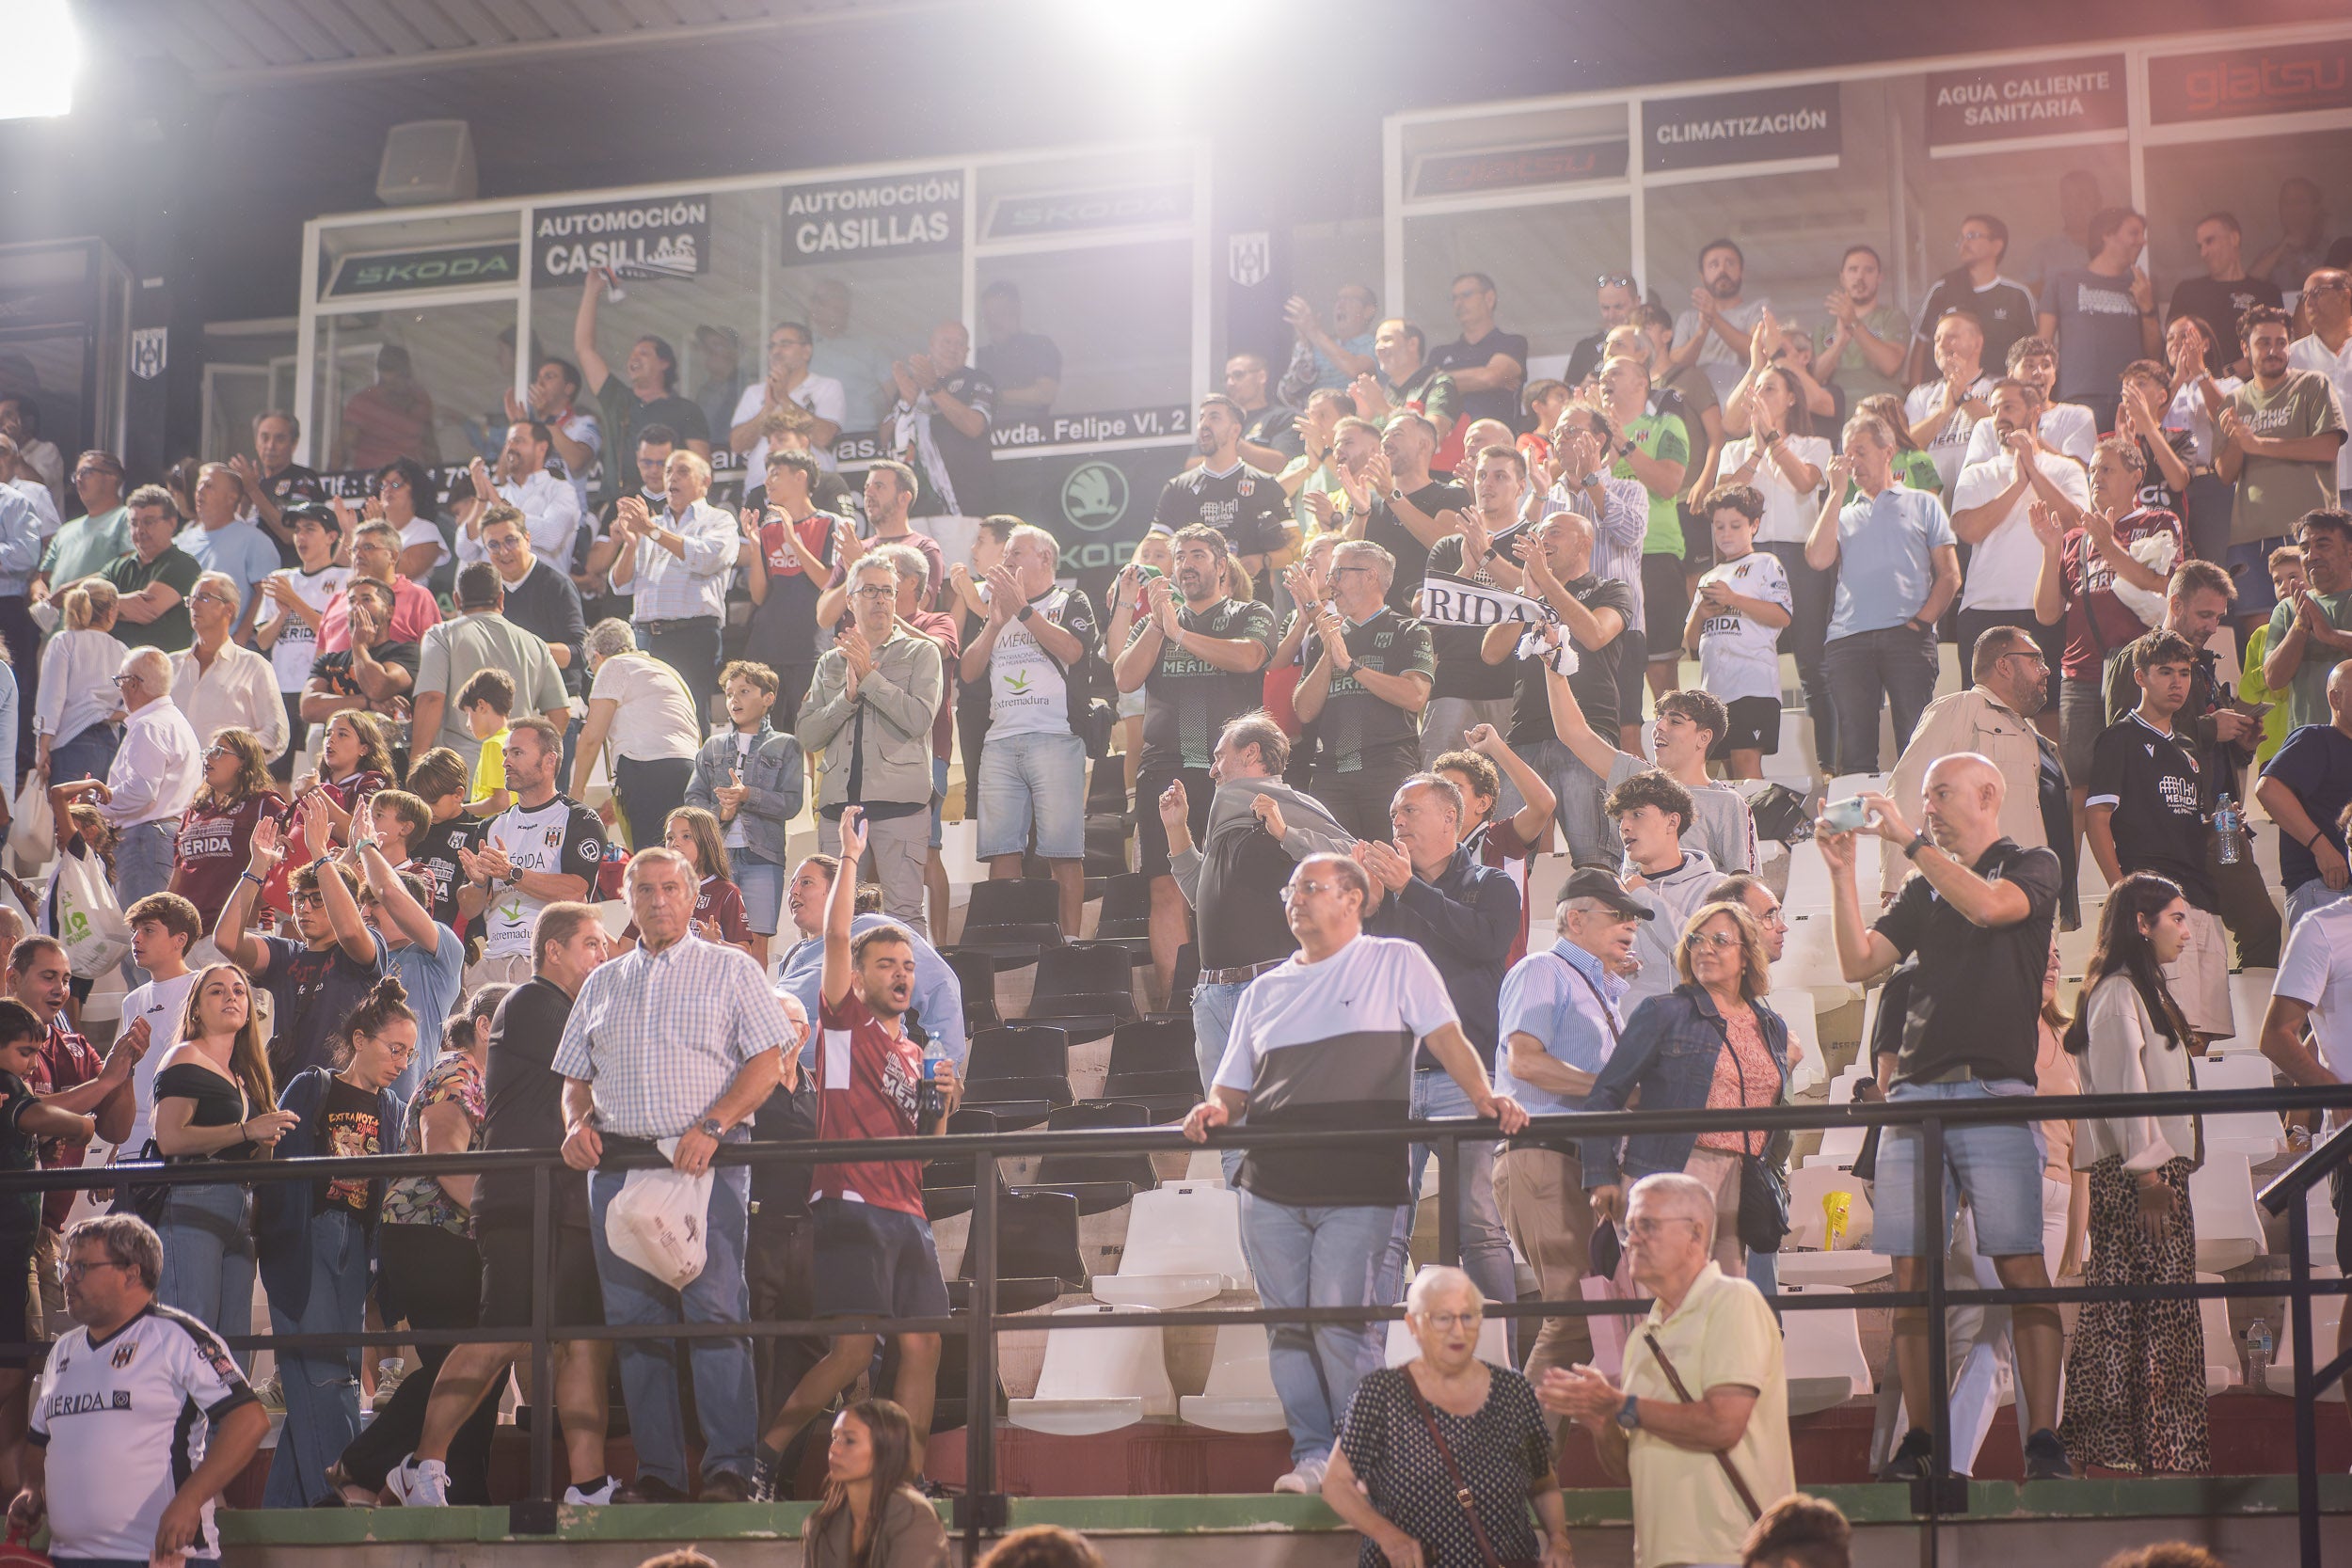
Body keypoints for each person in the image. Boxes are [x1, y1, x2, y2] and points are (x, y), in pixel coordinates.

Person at [1181, 852, 1527, 1495]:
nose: (1295, 898)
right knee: (1289, 1327)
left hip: (1360, 1179)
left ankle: (1365, 1458)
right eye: (1291, 889)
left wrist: (1485, 1096)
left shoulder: (1396, 961)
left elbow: (1448, 1038)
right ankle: (1314, 1455)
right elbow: (1232, 1086)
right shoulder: (1263, 990)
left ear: (1354, 898)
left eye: (1310, 887)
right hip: (1271, 1184)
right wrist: (1214, 1109)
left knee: (1345, 1322)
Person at [1819, 755, 2070, 1481]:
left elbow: (1991, 908)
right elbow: (1860, 962)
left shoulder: (2034, 863)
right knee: (1913, 1274)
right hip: (1916, 1097)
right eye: (1925, 796)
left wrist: (1909, 841)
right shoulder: (1923, 884)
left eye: (1940, 792)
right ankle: (1922, 1440)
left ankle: (2043, 1439)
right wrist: (1841, 874)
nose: (1927, 805)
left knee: (2020, 1263)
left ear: (1989, 794)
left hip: (1995, 1091)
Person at [557, 845, 787, 1504]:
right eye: (645, 890)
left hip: (707, 1160)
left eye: (670, 888)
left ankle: (730, 1470)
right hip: (619, 1166)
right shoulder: (601, 981)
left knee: (715, 1312)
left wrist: (715, 1124)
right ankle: (659, 1474)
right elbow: (574, 1078)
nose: (658, 900)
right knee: (635, 1323)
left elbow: (768, 1063)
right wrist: (574, 1124)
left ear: (691, 897)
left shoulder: (732, 968)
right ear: (627, 900)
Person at [384, 903, 617, 1509]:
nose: (604, 953)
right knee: (504, 1334)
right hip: (521, 1199)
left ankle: (589, 1485)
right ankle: (422, 1463)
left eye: (605, 943)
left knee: (581, 1342)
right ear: (553, 950)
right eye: (592, 943)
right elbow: (605, 1067)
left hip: (569, 1200)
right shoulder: (533, 1002)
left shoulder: (573, 1008)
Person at [757, 809, 955, 1494]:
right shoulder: (843, 1024)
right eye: (886, 965)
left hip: (907, 1209)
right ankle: (765, 1457)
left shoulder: (916, 1053)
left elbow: (928, 1154)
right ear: (860, 976)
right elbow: (838, 934)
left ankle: (909, 1480)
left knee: (924, 1344)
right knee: (849, 1354)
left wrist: (942, 1108)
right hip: (849, 1203)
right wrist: (848, 856)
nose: (901, 975)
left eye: (908, 967)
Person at [1537, 1171, 1795, 1568]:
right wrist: (1602, 1421)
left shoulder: (1732, 1301)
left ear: (1696, 1233)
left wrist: (1621, 1404)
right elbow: (1629, 1468)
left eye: (1647, 1226)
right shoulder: (1642, 1339)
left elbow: (1722, 1425)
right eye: (1629, 1229)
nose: (1632, 1240)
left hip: (1735, 1552)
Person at [2055, 873, 2209, 1476]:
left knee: (2146, 1317)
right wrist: (2148, 1177)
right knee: (2137, 1318)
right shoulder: (2119, 991)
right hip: (2139, 1177)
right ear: (2140, 924)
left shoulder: (2140, 990)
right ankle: (2135, 1457)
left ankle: (2149, 1456)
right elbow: (2126, 1089)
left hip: (2153, 1172)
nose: (2186, 931)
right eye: (2176, 918)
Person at [9, 1214, 269, 1567]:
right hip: (68, 1558)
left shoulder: (176, 1337)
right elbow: (39, 1442)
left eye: (81, 1268)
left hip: (159, 1557)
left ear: (131, 1273)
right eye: (65, 1267)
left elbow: (250, 1420)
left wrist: (191, 1498)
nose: (67, 1279)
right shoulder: (63, 1351)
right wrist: (30, 1490)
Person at [328, 972, 499, 1507]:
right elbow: (444, 1155)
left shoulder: (481, 1080)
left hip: (444, 1238)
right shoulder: (458, 1071)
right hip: (432, 1237)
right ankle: (364, 1463)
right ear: (485, 1027)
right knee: (465, 1361)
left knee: (479, 1367)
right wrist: (496, 1223)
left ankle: (460, 1489)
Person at [1355, 774, 1522, 1313]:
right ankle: (1378, 1351)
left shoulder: (1492, 883)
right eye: (1394, 813)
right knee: (1382, 1230)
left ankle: (1498, 1355)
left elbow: (1485, 943)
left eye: (1409, 810)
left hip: (1465, 1080)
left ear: (1451, 818)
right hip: (1395, 1079)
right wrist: (1366, 904)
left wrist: (1409, 890)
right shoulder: (1389, 894)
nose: (1397, 821)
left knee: (1479, 1224)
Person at [254, 974, 413, 1508]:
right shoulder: (313, 1085)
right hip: (311, 1233)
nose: (401, 1063)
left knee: (328, 1370)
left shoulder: (391, 1108)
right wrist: (281, 1242)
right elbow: (280, 1170)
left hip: (358, 1242)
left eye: (409, 1053)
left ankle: (283, 1514)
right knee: (326, 1372)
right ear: (360, 1039)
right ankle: (342, 1490)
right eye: (394, 1048)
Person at [1494, 867, 1641, 1424]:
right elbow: (1524, 1061)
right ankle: (1519, 1456)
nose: (1631, 926)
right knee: (1575, 1310)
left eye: (1634, 918)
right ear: (1575, 920)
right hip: (1543, 1152)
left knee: (1595, 1310)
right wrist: (1613, 1091)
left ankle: (1537, 1454)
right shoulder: (1542, 969)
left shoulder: (1596, 988)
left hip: (1580, 1161)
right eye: (1618, 915)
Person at [1581, 899, 1787, 1279]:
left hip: (1741, 1178)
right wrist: (1601, 1174)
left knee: (1725, 1300)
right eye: (1695, 939)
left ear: (1746, 956)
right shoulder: (1664, 1012)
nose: (1704, 948)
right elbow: (1606, 1094)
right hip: (1674, 1168)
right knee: (1670, 1297)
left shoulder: (1770, 1024)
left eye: (1719, 940)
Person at [1115, 523, 1278, 990]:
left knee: (1236, 884)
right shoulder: (1157, 623)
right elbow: (1124, 678)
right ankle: (1177, 1003)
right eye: (1180, 556)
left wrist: (1180, 635)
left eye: (1198, 555)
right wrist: (1159, 625)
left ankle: (1238, 990)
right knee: (1164, 886)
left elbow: (1249, 658)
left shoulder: (1250, 612)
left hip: (1233, 772)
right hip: (1164, 769)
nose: (1186, 564)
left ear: (1222, 565)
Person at [1320, 1264, 1568, 1568]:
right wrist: (1387, 1536)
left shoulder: (1514, 1392)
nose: (1458, 1330)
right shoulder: (1379, 1395)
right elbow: (1336, 1484)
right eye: (1443, 1318)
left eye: (1468, 1316)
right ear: (1413, 1325)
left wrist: (1559, 1540)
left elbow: (1543, 1483)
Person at [1161, 712, 1355, 1093]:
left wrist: (1286, 833)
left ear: (1251, 753)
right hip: (1212, 995)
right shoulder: (1224, 813)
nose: (1212, 770)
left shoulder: (1288, 804)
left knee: (1282, 1118)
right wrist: (1176, 828)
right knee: (1227, 1125)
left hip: (1270, 988)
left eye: (1220, 757)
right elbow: (1201, 894)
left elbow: (1352, 858)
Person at [2085, 632, 2235, 1043]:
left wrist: (2222, 826)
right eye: (2165, 672)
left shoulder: (2188, 747)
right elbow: (2097, 817)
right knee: (2171, 1032)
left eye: (2184, 673)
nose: (2176, 683)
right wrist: (2122, 891)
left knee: (2204, 1034)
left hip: (2201, 897)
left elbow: (2190, 823)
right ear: (2140, 677)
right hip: (2154, 899)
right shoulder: (2119, 738)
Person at [2034, 439, 2185, 830]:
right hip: (2080, 674)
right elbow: (2047, 613)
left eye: (2107, 469)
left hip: (2138, 673)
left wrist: (2108, 545)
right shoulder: (2074, 538)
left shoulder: (2159, 521)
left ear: (2136, 477)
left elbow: (2163, 584)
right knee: (2078, 783)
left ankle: (2137, 862)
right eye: (2092, 470)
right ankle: (2074, 869)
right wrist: (2051, 549)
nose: (2096, 477)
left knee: (2140, 777)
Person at [150, 963, 295, 1349]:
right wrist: (248, 1130)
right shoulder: (185, 1056)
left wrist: (266, 1139)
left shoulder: (245, 1075)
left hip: (239, 1205)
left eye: (239, 990)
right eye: (217, 990)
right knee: (193, 1333)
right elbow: (170, 1138)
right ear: (196, 1009)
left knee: (233, 1342)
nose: (231, 996)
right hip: (194, 1197)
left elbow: (258, 1166)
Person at [961, 524, 1096, 939]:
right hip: (999, 741)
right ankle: (1009, 943)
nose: (1006, 561)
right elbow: (968, 672)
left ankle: (1070, 945)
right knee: (1001, 852)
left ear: (1045, 558)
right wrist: (993, 624)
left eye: (1016, 553)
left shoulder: (1069, 600)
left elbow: (1073, 650)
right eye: (1005, 555)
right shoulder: (994, 608)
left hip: (1056, 737)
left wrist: (1023, 610)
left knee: (1063, 853)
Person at [1807, 415, 1962, 775]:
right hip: (1848, 640)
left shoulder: (1923, 503)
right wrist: (1836, 492)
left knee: (1916, 747)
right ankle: (1857, 815)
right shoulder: (1842, 512)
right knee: (1854, 755)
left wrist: (1921, 623)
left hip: (1907, 637)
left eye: (1861, 452)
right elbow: (1817, 558)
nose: (1852, 462)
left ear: (1888, 452)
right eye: (1847, 454)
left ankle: (1917, 815)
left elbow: (1950, 574)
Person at [798, 558, 943, 938]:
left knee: (904, 916)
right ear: (850, 600)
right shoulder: (829, 662)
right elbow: (808, 735)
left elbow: (919, 719)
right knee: (834, 920)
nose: (881, 599)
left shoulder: (921, 653)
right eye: (870, 591)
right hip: (838, 810)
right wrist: (846, 696)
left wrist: (869, 677)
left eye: (887, 591)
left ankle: (912, 980)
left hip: (901, 806)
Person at [1880, 625, 2060, 905]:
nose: (2046, 670)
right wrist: (1896, 880)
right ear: (2004, 666)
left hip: (2029, 894)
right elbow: (1908, 787)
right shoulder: (1961, 707)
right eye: (2035, 660)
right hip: (1970, 893)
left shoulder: (2031, 733)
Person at [215, 816, 390, 1083]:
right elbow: (226, 940)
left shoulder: (363, 946)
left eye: (318, 899)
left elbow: (350, 931)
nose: (304, 908)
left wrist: (319, 853)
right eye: (298, 899)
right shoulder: (285, 954)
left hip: (339, 1093)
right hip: (286, 1092)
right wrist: (257, 866)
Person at [1544, 673, 1758, 879]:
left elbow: (1745, 884)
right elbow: (1573, 733)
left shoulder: (1728, 803)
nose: (1659, 726)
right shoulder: (1640, 779)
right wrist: (1554, 666)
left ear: (1704, 738)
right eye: (1659, 718)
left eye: (1675, 722)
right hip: (1633, 904)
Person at [1952, 382, 2090, 693]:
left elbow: (2076, 526)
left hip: (2048, 609)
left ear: (2035, 412)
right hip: (1983, 607)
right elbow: (1968, 530)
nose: (1999, 416)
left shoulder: (2066, 469)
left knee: (2047, 710)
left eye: (2009, 407)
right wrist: (2017, 485)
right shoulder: (1977, 472)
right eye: (1995, 408)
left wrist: (2033, 470)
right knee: (1984, 709)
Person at [773, 853, 966, 1074]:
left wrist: (943, 1070)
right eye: (792, 884)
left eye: (806, 882)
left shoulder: (874, 930)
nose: (794, 891)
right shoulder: (792, 955)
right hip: (794, 1082)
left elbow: (940, 986)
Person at [1294, 542, 1433, 840]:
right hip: (1330, 773)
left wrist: (1351, 665)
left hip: (1387, 768)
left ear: (1370, 576)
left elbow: (1415, 696)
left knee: (1389, 861)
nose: (1330, 584)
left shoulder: (1408, 630)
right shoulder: (1324, 636)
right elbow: (1304, 711)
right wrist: (1329, 654)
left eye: (1338, 574)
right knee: (1337, 864)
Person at [2222, 306, 2345, 630]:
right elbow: (2224, 473)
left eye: (2281, 342)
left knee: (2319, 630)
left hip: (2310, 535)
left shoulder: (2313, 385)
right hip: (2251, 538)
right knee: (2263, 638)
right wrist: (2237, 440)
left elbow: (2327, 447)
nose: (2274, 350)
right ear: (2245, 348)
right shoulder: (2234, 400)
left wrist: (2258, 444)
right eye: (2264, 342)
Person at [51, 648, 200, 915]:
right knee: (155, 924)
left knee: (142, 927)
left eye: (120, 681)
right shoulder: (174, 721)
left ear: (133, 683)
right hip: (164, 836)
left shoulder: (149, 725)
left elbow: (141, 791)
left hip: (146, 840)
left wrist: (95, 801)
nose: (120, 689)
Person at [1419, 444, 1540, 768]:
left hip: (1515, 684)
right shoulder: (1448, 545)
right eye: (1482, 475)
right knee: (1440, 779)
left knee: (1510, 787)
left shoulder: (1533, 538)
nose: (1488, 484)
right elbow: (1427, 611)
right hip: (1453, 682)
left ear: (1521, 487)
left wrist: (1487, 556)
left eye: (1500, 476)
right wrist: (1466, 571)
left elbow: (1536, 591)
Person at [463, 718, 600, 987]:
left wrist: (511, 873)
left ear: (549, 761)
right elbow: (469, 909)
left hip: (552, 960)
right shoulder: (491, 826)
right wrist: (478, 884)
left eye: (517, 753)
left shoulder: (578, 819)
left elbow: (575, 890)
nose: (506, 762)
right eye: (505, 753)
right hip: (493, 962)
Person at [608, 447, 737, 727]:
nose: (671, 478)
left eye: (682, 471)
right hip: (645, 637)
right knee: (645, 721)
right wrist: (630, 545)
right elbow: (619, 585)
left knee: (690, 718)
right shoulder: (650, 525)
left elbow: (705, 559)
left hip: (691, 636)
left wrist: (651, 531)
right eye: (668, 472)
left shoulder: (719, 520)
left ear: (705, 481)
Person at [408, 562, 570, 775]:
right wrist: (532, 759)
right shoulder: (535, 644)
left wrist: (416, 763)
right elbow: (561, 713)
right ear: (501, 599)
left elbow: (431, 698)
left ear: (457, 600)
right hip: (517, 776)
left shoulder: (440, 636)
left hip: (459, 775)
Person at [685, 659, 802, 955]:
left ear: (768, 698)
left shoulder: (786, 745)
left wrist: (748, 795)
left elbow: (791, 802)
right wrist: (720, 814)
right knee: (708, 935)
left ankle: (754, 988)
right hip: (716, 858)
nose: (734, 699)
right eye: (729, 693)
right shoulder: (712, 746)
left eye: (744, 691)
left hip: (763, 857)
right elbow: (693, 800)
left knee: (755, 940)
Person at [572, 273, 711, 507]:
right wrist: (591, 290)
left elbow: (702, 469)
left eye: (644, 353)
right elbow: (584, 349)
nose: (634, 358)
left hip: (665, 509)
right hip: (618, 505)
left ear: (664, 363)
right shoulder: (617, 398)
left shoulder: (685, 410)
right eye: (632, 354)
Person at [1686, 484, 1794, 779]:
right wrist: (1701, 613)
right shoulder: (1709, 577)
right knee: (1729, 772)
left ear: (1754, 525)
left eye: (1735, 526)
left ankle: (1758, 812)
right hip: (1716, 689)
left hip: (1754, 683)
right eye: (1719, 526)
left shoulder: (1765, 564)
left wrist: (1733, 599)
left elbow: (1782, 616)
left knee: (1746, 761)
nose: (1726, 534)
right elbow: (1691, 641)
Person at [1432, 724, 1557, 967]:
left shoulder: (1499, 839)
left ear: (1482, 803)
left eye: (1454, 789)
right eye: (1437, 789)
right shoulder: (1426, 852)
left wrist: (1495, 747)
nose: (1441, 797)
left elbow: (1543, 803)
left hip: (1500, 979)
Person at [573, 619, 701, 852]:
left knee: (652, 859)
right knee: (683, 857)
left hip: (646, 768)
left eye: (591, 667)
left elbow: (591, 738)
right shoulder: (666, 670)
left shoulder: (613, 666)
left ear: (597, 656)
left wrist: (576, 795)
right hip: (688, 769)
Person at [2036, 207, 2162, 429]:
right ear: (2107, 234)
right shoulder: (2062, 281)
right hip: (2077, 397)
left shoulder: (2141, 286)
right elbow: (2043, 345)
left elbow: (2154, 355)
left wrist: (2148, 308)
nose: (2142, 241)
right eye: (2133, 233)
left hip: (2130, 398)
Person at [252, 503, 348, 781]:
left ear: (331, 537)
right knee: (276, 774)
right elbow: (263, 640)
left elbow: (332, 634)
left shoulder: (344, 578)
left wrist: (294, 601)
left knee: (318, 769)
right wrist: (282, 614)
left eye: (309, 529)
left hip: (320, 688)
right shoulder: (281, 579)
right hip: (281, 688)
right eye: (297, 530)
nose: (301, 537)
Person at [1153, 397, 1291, 584]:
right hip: (1192, 599)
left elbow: (1296, 546)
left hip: (1252, 598)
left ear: (1235, 430)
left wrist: (1264, 560)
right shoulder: (1177, 488)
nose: (1204, 424)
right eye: (1201, 418)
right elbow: (1153, 544)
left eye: (1214, 417)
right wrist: (1128, 576)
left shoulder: (1264, 484)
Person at [2256, 661, 2352, 930]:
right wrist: (2324, 849)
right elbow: (2269, 789)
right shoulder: (2316, 739)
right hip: (2324, 889)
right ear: (2335, 698)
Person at [801, 1399, 949, 1568]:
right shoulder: (819, 1524)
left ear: (886, 1448)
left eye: (849, 1440)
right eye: (834, 1438)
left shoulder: (913, 1515)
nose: (834, 1449)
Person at [167, 727, 288, 933]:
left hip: (239, 929)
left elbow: (285, 860)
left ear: (244, 761)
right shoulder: (195, 811)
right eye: (208, 752)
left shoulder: (264, 804)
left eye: (219, 752)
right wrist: (166, 916)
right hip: (190, 931)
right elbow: (178, 875)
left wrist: (257, 904)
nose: (208, 758)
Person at [116, 893, 202, 1156]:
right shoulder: (132, 1001)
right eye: (134, 931)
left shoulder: (204, 988)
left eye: (148, 930)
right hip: (134, 1141)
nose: (136, 939)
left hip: (186, 1138)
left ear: (180, 940)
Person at [1908, 214, 2040, 384]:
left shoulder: (2017, 295)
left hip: (2001, 392)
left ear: (1997, 246)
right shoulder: (1943, 288)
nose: (1964, 243)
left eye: (1972, 236)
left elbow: (2033, 350)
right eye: (1961, 238)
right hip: (1946, 392)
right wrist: (1915, 392)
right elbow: (1920, 345)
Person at [169, 573, 286, 758]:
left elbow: (275, 734)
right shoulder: (170, 665)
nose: (194, 605)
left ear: (229, 609)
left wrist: (231, 754)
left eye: (203, 598)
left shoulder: (254, 667)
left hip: (231, 774)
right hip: (172, 772)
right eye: (191, 599)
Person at [891, 320, 995, 520]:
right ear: (931, 345)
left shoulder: (978, 379)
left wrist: (933, 389)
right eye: (946, 342)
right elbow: (885, 437)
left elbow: (974, 426)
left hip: (965, 507)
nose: (952, 348)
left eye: (959, 343)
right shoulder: (911, 384)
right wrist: (904, 403)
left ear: (967, 350)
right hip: (914, 509)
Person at [2261, 509, 2352, 733]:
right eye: (2304, 549)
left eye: (2323, 545)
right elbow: (2274, 679)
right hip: (2310, 742)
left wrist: (2332, 636)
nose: (2311, 556)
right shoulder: (2287, 609)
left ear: (2349, 551)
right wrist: (2300, 626)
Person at [35, 578, 125, 786]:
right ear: (111, 612)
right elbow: (131, 703)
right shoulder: (122, 650)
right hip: (110, 745)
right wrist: (106, 713)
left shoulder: (64, 641)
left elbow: (51, 699)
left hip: (70, 740)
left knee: (67, 807)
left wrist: (43, 747)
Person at [731, 321, 846, 478]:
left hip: (812, 485)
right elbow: (737, 445)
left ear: (806, 351)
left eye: (785, 344)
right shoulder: (754, 392)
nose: (776, 351)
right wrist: (768, 408)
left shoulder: (826, 386)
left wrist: (784, 400)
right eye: (772, 346)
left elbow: (823, 437)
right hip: (762, 485)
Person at [299, 578, 418, 729]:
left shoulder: (407, 652)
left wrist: (359, 646)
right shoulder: (329, 661)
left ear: (389, 611)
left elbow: (377, 688)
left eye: (367, 599)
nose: (357, 606)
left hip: (387, 743)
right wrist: (368, 702)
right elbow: (308, 708)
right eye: (351, 601)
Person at [1903, 311, 1996, 501]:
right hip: (1934, 501)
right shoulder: (1921, 394)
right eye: (1937, 339)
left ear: (1977, 343)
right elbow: (1906, 444)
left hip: (1984, 497)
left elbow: (2003, 431)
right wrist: (1944, 412)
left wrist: (1964, 398)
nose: (1942, 345)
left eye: (1951, 337)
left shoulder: (1997, 388)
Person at [173, 465, 278, 633]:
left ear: (231, 497)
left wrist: (241, 638)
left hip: (231, 645)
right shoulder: (179, 542)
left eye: (208, 486)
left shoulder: (255, 541)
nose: (200, 491)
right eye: (199, 485)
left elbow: (265, 594)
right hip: (185, 646)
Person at [99, 484, 202, 653]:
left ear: (172, 523)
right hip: (114, 663)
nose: (140, 530)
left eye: (149, 522)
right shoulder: (116, 567)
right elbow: (86, 607)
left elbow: (146, 611)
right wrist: (120, 603)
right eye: (134, 523)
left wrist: (105, 605)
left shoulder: (183, 564)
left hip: (162, 664)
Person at [315, 515, 440, 655]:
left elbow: (435, 654)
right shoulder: (338, 600)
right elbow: (320, 656)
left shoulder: (418, 597)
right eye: (354, 550)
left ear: (393, 556)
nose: (358, 555)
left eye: (368, 547)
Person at [1671, 239, 1772, 404]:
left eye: (1730, 263)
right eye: (1714, 265)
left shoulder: (1758, 309)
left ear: (1741, 272)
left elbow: (1759, 351)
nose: (1722, 270)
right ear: (1702, 276)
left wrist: (1714, 318)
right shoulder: (1688, 319)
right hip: (1697, 408)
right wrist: (1701, 332)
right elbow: (1675, 366)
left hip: (1744, 406)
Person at [1430, 273, 1530, 432]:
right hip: (1449, 440)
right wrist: (1479, 378)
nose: (1458, 303)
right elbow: (1426, 387)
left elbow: (1490, 377)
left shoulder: (1512, 343)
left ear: (1489, 298)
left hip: (1497, 441)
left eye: (1466, 295)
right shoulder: (1440, 353)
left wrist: (1440, 380)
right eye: (1454, 298)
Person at [33, 448, 130, 605]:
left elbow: (129, 568)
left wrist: (75, 590)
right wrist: (38, 592)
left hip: (101, 618)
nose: (78, 479)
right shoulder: (65, 530)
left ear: (113, 477)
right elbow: (41, 578)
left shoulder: (129, 518)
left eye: (86, 472)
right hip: (60, 620)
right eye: (76, 474)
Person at [1816, 245, 1911, 404]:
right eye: (1853, 269)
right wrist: (1840, 342)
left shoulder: (1893, 318)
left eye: (1869, 270)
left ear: (1879, 277)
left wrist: (1854, 323)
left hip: (1881, 410)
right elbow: (1815, 378)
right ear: (1842, 277)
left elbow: (1890, 365)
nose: (1860, 276)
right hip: (1836, 414)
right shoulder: (1824, 328)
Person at [2290, 269, 2352, 501]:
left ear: (2345, 296)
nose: (2309, 302)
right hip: (2315, 490)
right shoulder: (2292, 358)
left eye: (2317, 293)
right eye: (2304, 296)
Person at [335, 344, 438, 470]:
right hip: (373, 478)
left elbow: (430, 448)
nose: (400, 383)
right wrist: (329, 479)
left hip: (410, 478)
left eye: (403, 376)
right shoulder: (363, 403)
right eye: (394, 379)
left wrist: (439, 478)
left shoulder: (421, 399)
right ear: (381, 375)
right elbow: (343, 449)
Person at [1280, 282, 1381, 404]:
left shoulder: (1376, 345)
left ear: (1368, 311)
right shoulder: (1320, 347)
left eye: (1349, 299)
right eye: (1338, 299)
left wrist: (1314, 332)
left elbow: (1355, 370)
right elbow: (1289, 391)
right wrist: (1304, 343)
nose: (1340, 304)